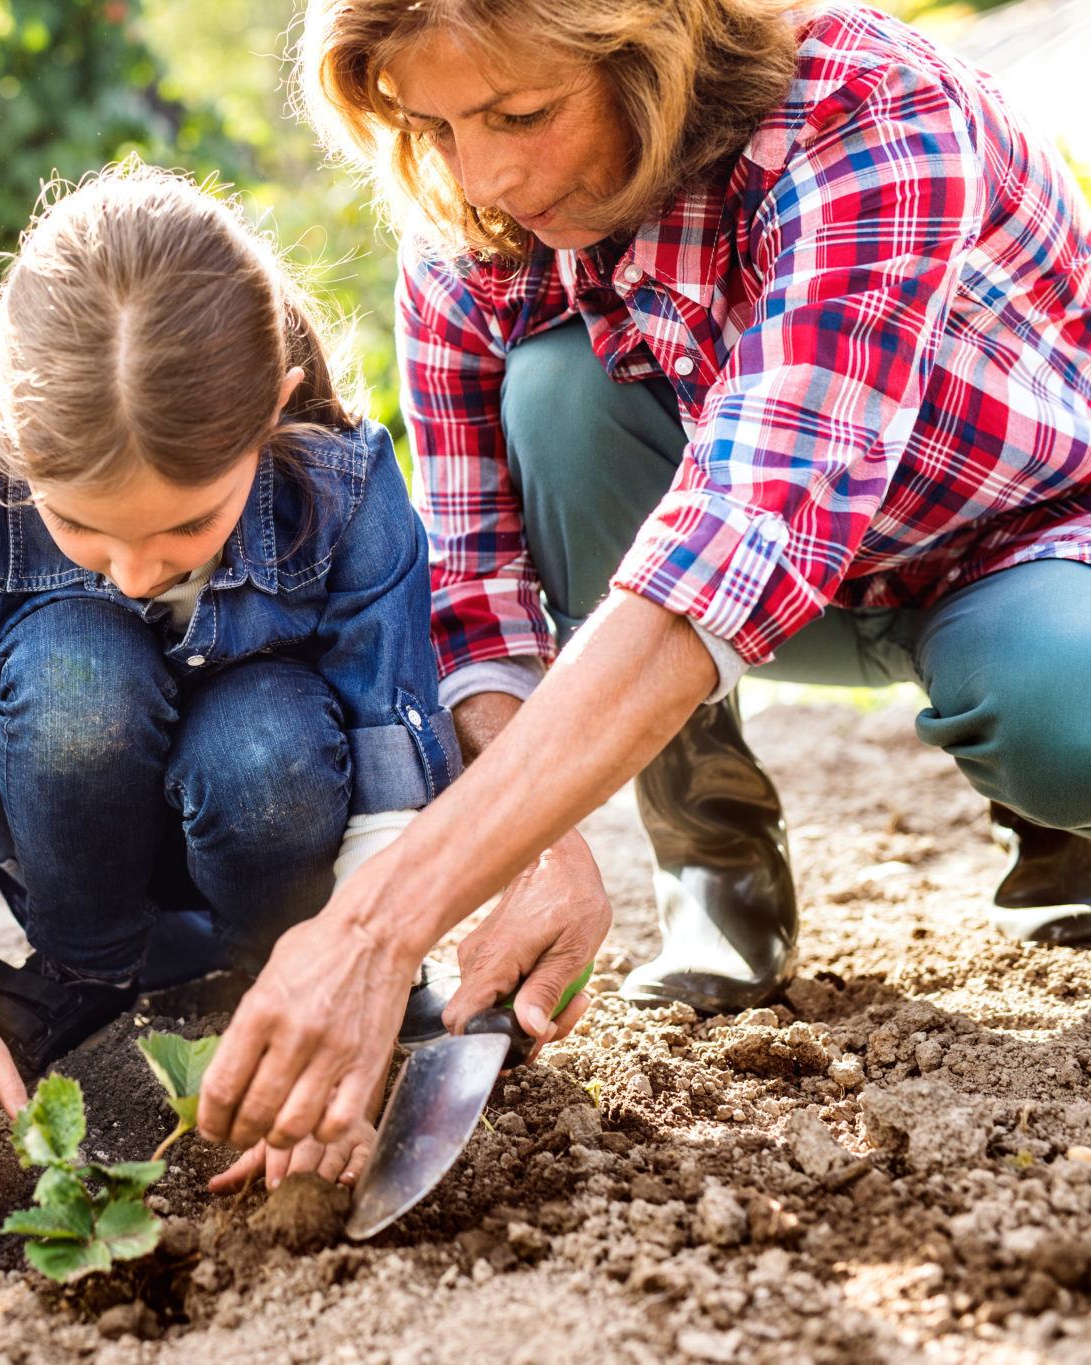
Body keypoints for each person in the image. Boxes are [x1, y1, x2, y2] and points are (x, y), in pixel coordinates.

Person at [195, 0, 1091, 1159]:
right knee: (558, 396)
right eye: (438, 123)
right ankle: (708, 847)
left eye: (521, 112)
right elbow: (478, 592)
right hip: (770, 604)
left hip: (1014, 544)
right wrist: (536, 852)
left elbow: (739, 532)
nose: (485, 171)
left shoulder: (864, 106)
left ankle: (1056, 820)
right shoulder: (471, 214)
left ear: (649, 49)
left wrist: (373, 928)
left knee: (1060, 710)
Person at [0, 164, 464, 1206]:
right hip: (82, 875)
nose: (139, 571)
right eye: (82, 529)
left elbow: (389, 786)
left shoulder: (348, 496)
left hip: (285, 869)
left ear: (270, 410)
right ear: (8, 437)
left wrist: (354, 971)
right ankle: (92, 984)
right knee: (70, 671)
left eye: (186, 525)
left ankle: (267, 986)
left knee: (263, 740)